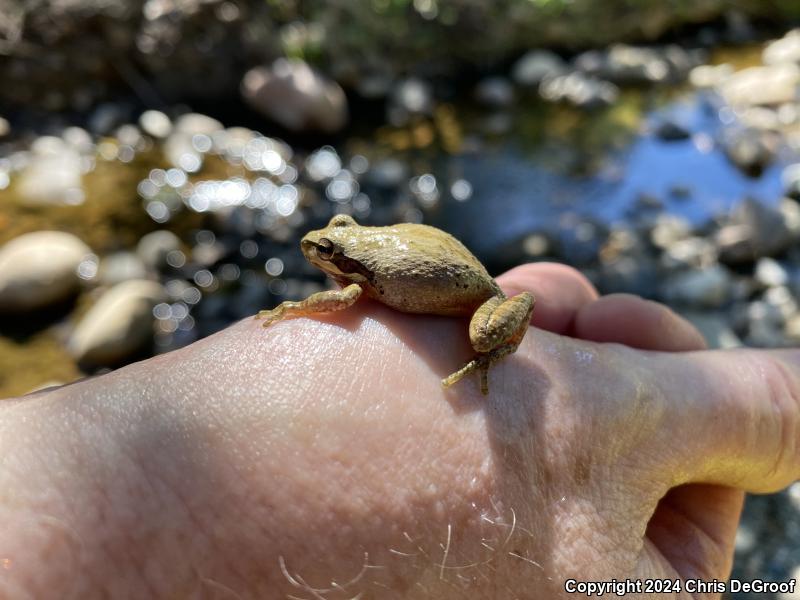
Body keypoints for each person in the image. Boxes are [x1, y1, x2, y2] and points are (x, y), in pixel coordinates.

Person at [0, 263, 797, 599]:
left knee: (520, 307)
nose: (320, 259)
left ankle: (483, 362)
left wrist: (289, 311)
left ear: (346, 262)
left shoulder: (358, 284)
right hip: (472, 280)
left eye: (330, 252)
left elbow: (340, 305)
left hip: (478, 297)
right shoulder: (366, 272)